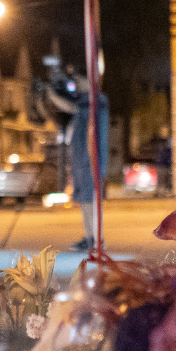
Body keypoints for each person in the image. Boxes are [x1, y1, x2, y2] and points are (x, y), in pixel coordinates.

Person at [68, 91, 109, 252]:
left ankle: (96, 239)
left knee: (90, 201)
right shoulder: (81, 103)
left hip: (89, 162)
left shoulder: (95, 102)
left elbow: (97, 137)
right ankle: (90, 237)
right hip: (82, 162)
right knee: (85, 202)